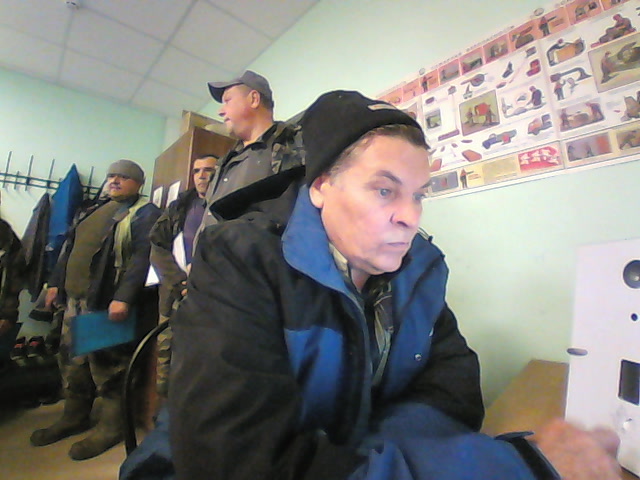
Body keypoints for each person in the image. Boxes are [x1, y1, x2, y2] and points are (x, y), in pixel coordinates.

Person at [169, 90, 622, 480]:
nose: (411, 216)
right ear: (321, 187)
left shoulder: (419, 269)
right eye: (385, 190)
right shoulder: (238, 260)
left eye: (418, 194)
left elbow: (455, 392)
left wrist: (375, 458)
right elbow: (235, 463)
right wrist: (518, 467)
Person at [30, 159, 161, 461]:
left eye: (123, 176)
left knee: (109, 369)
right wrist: (55, 284)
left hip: (105, 304)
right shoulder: (92, 209)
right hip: (74, 303)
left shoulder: (145, 213)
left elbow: (143, 257)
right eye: (112, 175)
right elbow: (69, 249)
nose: (115, 180)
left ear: (139, 183)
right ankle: (73, 417)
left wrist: (124, 297)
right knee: (72, 365)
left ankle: (112, 428)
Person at [199, 69, 305, 233]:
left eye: (228, 100)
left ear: (254, 99)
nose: (220, 111)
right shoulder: (225, 162)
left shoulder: (293, 145)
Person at [148, 154, 218, 398]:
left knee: (201, 357)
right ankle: (165, 408)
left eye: (208, 170)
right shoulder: (181, 206)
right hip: (173, 293)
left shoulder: (227, 205)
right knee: (166, 351)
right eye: (197, 171)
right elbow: (157, 245)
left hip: (211, 297)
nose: (201, 176)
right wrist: (179, 281)